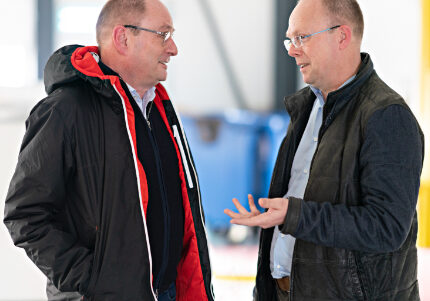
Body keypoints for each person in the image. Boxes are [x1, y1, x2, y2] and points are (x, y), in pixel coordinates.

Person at [3, 0, 214, 300]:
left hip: (166, 292)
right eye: (163, 35)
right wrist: (92, 279)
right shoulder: (65, 111)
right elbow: (25, 214)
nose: (173, 48)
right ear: (123, 38)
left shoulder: (159, 110)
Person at [225, 0, 423, 300]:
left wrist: (295, 215)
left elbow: (386, 228)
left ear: (341, 36)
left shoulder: (386, 116)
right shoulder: (306, 108)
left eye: (302, 37)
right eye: (289, 39)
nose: (292, 49)